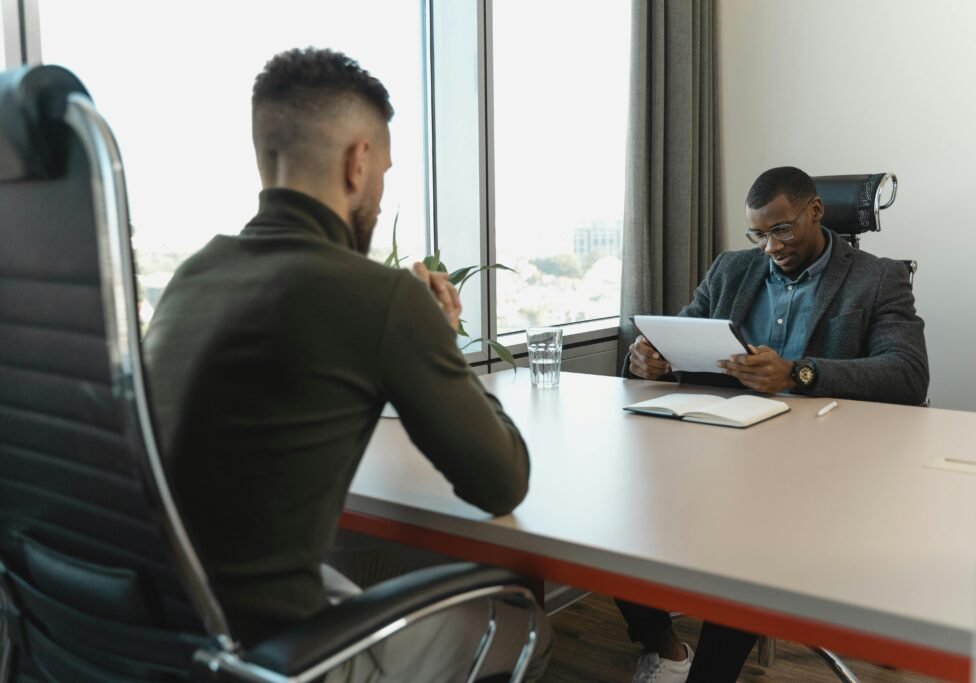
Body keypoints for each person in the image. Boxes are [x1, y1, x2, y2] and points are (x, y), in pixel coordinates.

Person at [144, 47, 548, 682]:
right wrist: (438, 340)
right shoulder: (380, 296)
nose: (380, 196)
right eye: (383, 172)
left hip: (157, 630)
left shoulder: (194, 275)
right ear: (358, 162)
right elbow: (502, 483)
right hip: (269, 657)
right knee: (524, 623)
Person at [620, 166, 929, 683]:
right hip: (721, 453)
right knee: (625, 513)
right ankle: (665, 648)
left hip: (822, 469)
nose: (770, 247)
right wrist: (652, 359)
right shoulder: (730, 269)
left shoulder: (877, 277)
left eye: (781, 229)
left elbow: (908, 374)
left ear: (816, 211)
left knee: (747, 551)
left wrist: (798, 373)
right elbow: (682, 333)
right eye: (758, 234)